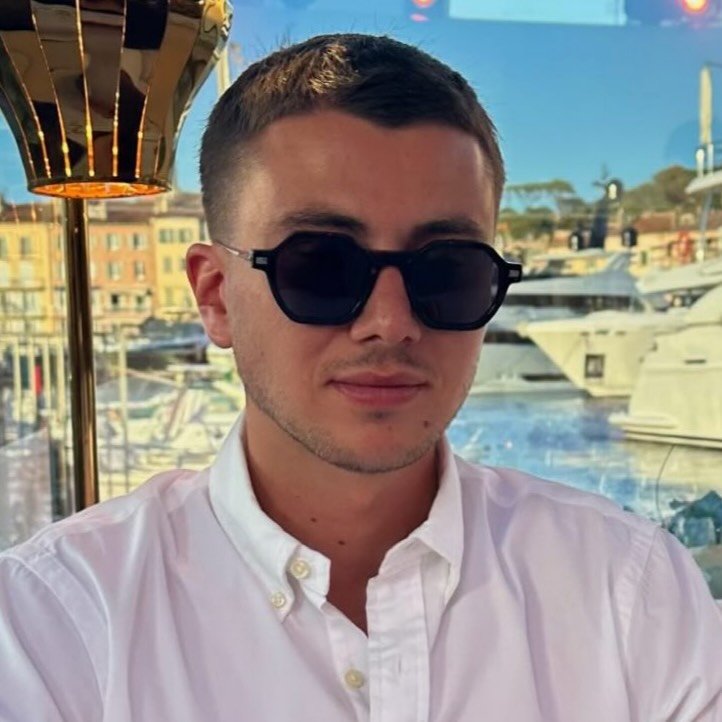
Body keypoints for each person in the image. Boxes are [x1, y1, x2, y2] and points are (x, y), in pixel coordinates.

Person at [1, 33, 721, 722]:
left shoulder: (629, 590)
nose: (390, 322)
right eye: (321, 266)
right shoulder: (55, 624)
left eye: (447, 270)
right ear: (216, 296)